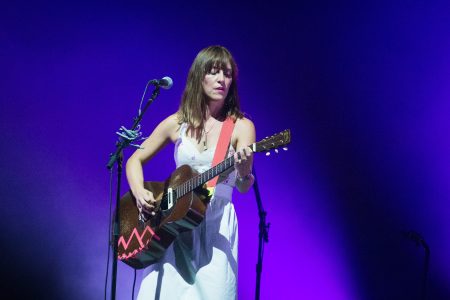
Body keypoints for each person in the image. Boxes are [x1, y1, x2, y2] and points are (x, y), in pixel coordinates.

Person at [126, 45, 255, 299]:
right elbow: (134, 160)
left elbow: (242, 186)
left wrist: (243, 171)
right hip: (172, 225)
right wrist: (140, 192)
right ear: (199, 76)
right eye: (215, 72)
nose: (221, 79)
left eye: (227, 74)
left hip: (216, 225)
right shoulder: (177, 123)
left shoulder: (241, 126)